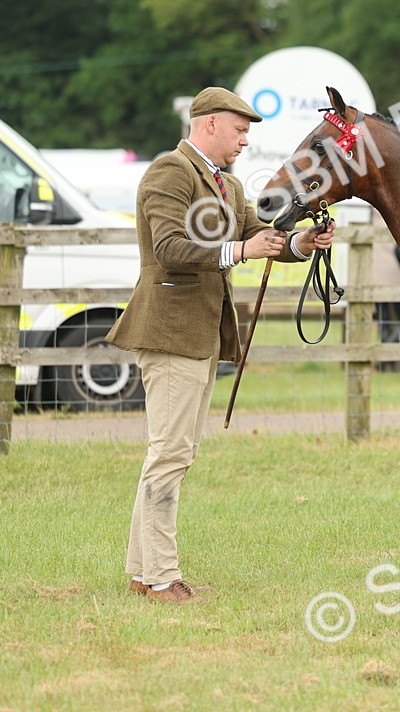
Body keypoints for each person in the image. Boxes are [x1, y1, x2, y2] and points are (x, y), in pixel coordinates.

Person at [107, 87, 336, 603]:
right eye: (240, 130)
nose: (245, 140)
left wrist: (303, 242)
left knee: (174, 454)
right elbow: (169, 249)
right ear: (209, 124)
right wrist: (239, 250)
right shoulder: (169, 172)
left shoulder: (226, 185)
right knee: (169, 455)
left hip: (202, 336)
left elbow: (261, 233)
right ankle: (162, 577)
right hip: (170, 332)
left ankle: (144, 570)